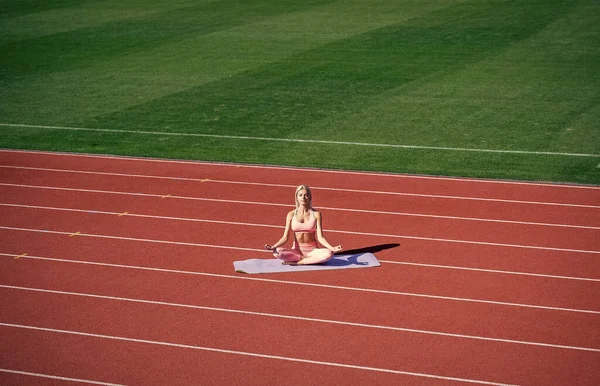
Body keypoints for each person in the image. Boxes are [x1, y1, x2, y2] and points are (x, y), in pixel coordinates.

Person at [265, 185, 342, 265]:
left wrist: (332, 248)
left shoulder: (316, 214)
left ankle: (300, 262)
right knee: (276, 252)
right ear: (297, 197)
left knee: (329, 253)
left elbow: (320, 237)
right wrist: (273, 246)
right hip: (296, 251)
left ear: (309, 197)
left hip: (312, 251)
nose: (303, 197)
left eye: (306, 195)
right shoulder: (291, 214)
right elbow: (285, 237)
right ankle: (304, 259)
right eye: (300, 195)